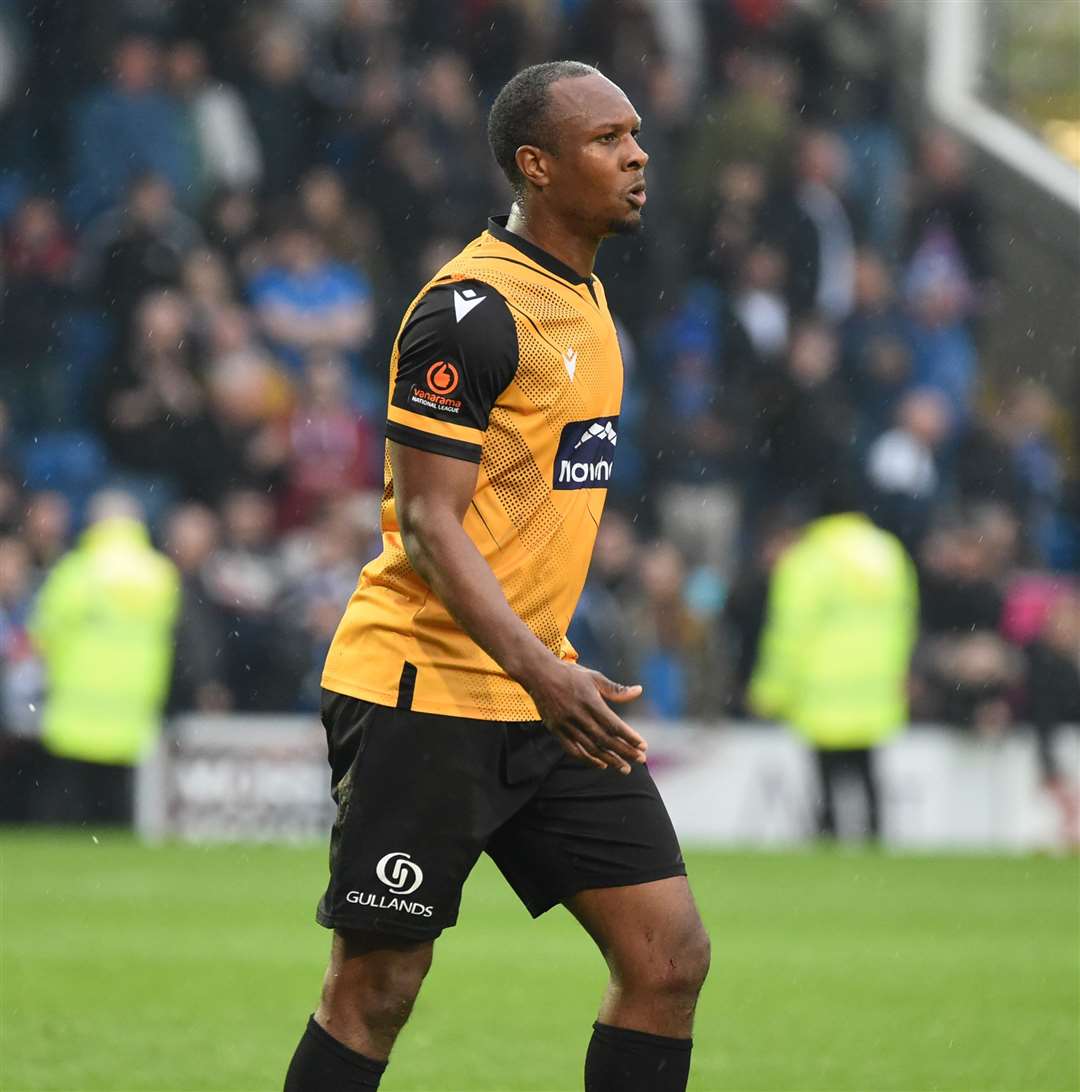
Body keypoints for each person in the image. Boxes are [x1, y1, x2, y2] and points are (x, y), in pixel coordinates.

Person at [285, 61, 709, 1092]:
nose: (637, 154)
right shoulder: (470, 311)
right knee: (377, 987)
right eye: (607, 139)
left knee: (667, 957)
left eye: (636, 134)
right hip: (425, 690)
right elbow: (428, 524)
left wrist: (545, 671)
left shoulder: (591, 301)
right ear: (538, 166)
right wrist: (539, 670)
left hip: (539, 691)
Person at [748, 479, 918, 841]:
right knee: (868, 772)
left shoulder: (808, 559)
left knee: (826, 782)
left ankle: (829, 841)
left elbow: (789, 632)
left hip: (824, 688)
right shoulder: (888, 552)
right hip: (875, 688)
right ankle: (875, 846)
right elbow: (906, 619)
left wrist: (769, 691)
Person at [28, 490, 180, 824]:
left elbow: (42, 632)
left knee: (69, 806)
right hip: (132, 707)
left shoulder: (76, 571)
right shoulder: (160, 574)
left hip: (77, 706)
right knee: (115, 806)